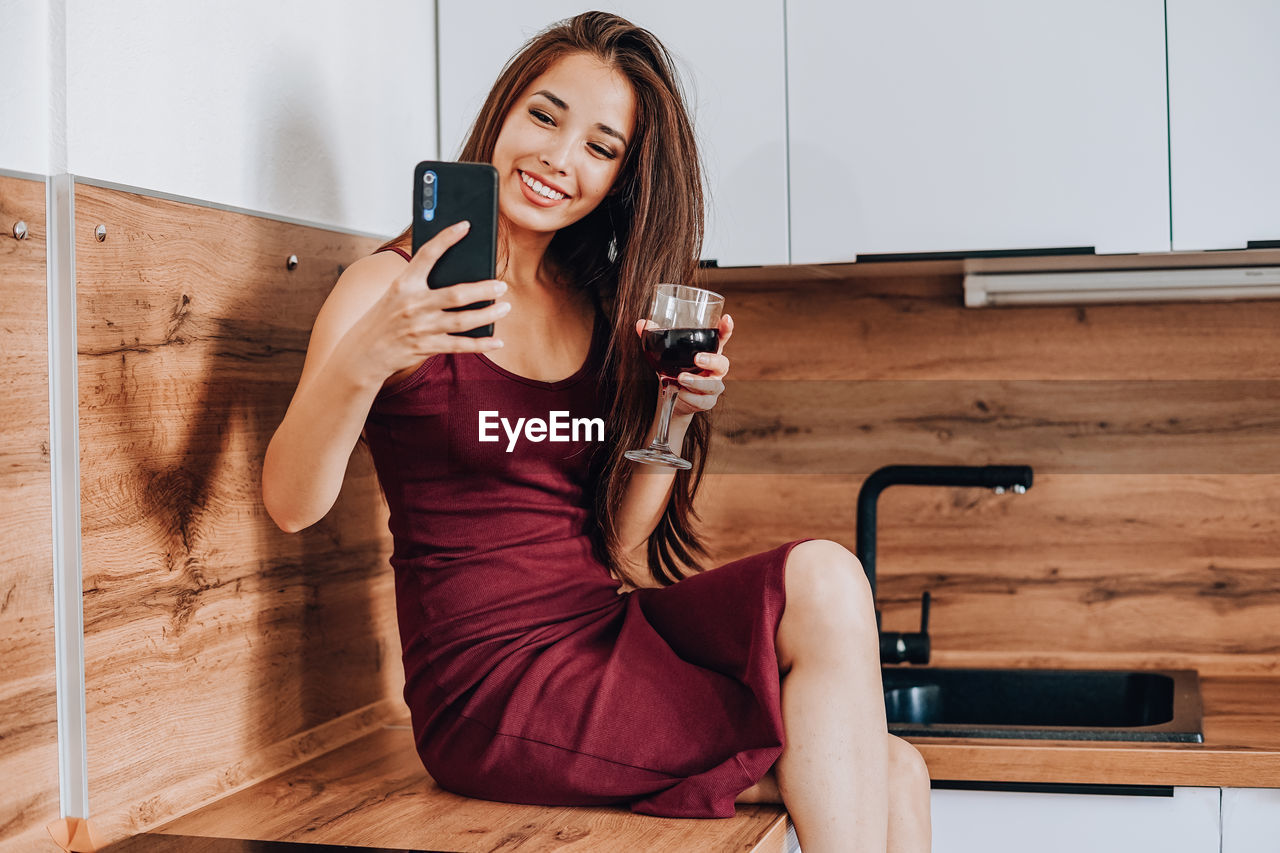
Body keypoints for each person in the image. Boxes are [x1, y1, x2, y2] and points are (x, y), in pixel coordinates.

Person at [262, 11, 930, 852]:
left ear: (620, 177)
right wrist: (372, 353)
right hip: (490, 685)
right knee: (882, 767)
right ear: (503, 115)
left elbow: (615, 543)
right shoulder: (389, 288)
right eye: (545, 116)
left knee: (836, 596)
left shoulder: (596, 304)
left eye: (600, 147)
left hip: (602, 631)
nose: (558, 158)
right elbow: (289, 502)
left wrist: (674, 410)